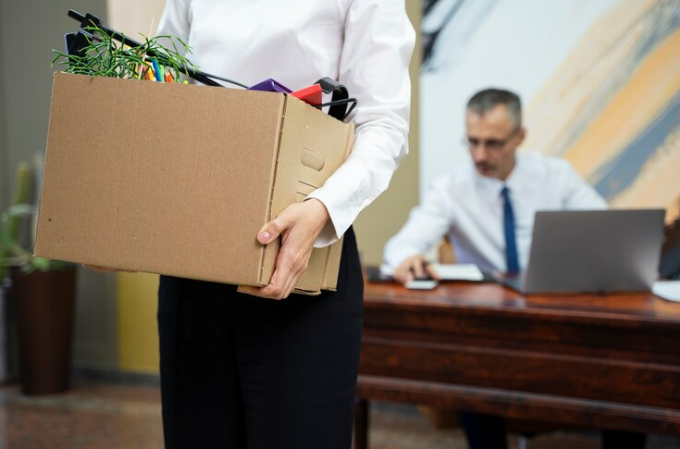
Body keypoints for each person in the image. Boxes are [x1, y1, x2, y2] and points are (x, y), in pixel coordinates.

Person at [153, 1, 415, 449]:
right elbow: (162, 80)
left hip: (306, 257)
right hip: (193, 257)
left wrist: (321, 208)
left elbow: (384, 122)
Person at [383, 88, 646, 449]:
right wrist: (406, 259)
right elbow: (400, 246)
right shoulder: (451, 189)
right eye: (472, 141)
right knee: (470, 366)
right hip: (491, 327)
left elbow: (610, 235)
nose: (480, 155)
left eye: (493, 144)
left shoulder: (556, 176)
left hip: (558, 317)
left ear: (520, 137)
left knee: (626, 375)